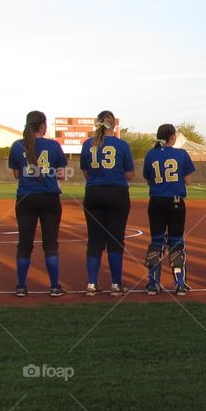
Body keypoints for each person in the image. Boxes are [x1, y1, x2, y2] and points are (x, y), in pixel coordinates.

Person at [8, 111, 68, 297]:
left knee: (24, 244)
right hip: (49, 197)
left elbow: (17, 174)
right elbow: (61, 174)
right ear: (43, 126)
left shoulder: (18, 145)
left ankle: (20, 286)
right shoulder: (53, 145)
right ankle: (54, 286)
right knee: (50, 243)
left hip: (26, 197)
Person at [81, 111, 135, 296]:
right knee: (115, 241)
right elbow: (129, 174)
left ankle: (91, 283)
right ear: (114, 125)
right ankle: (115, 284)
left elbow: (86, 172)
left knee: (95, 241)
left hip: (94, 192)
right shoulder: (122, 145)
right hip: (117, 193)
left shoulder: (88, 144)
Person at [142, 123, 195, 295]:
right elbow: (188, 180)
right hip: (175, 202)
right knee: (176, 243)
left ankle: (153, 284)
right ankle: (179, 283)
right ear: (172, 136)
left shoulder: (151, 154)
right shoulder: (181, 154)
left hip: (156, 202)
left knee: (156, 243)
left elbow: (149, 179)